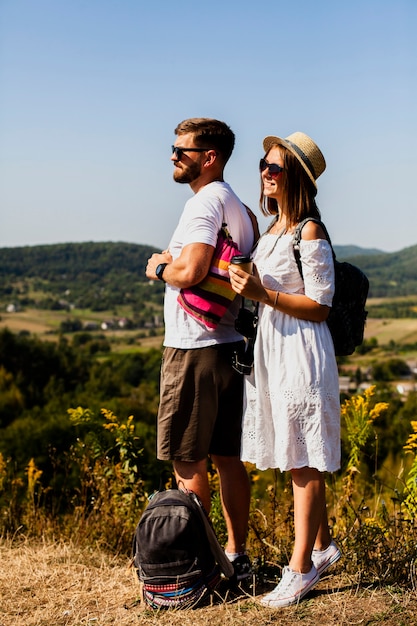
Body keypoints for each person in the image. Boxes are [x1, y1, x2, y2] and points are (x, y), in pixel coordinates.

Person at [228, 131, 342, 606]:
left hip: (302, 349)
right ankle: (323, 546)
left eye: (275, 167)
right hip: (274, 348)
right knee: (296, 447)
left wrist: (262, 294)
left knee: (303, 458)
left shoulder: (308, 230)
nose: (264, 173)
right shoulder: (272, 228)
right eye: (263, 164)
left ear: (295, 177)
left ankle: (300, 570)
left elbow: (321, 305)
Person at [146, 118, 255, 581]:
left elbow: (189, 271)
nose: (173, 155)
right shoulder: (241, 208)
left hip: (192, 349)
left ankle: (199, 565)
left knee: (187, 458)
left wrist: (158, 268)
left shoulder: (204, 203)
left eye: (182, 150)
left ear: (209, 157)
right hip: (229, 346)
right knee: (228, 458)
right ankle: (234, 554)